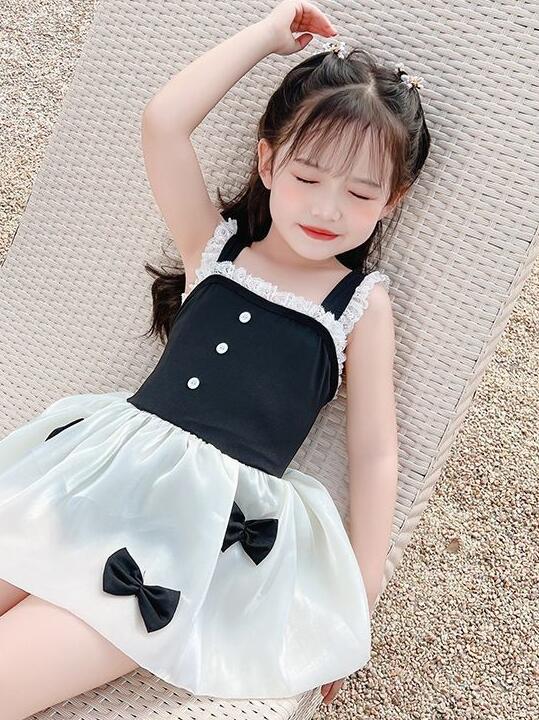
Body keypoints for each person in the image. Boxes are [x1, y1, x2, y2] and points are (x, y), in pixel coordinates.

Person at [0, 1, 431, 716]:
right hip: (86, 478)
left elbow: (374, 449)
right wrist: (264, 37)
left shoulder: (359, 304)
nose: (327, 208)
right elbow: (163, 124)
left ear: (392, 200)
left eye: (359, 192)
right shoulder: (217, 249)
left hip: (181, 537)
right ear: (267, 161)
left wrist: (362, 589)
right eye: (307, 177)